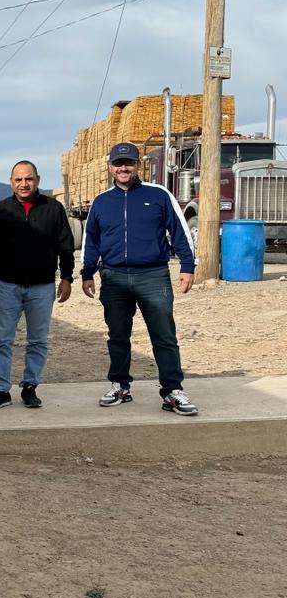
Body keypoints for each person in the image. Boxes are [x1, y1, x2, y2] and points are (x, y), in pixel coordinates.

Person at [80, 142, 198, 415]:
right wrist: (87, 273)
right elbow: (91, 242)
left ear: (137, 166)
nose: (124, 168)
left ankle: (172, 392)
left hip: (153, 276)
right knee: (118, 335)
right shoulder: (101, 202)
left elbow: (179, 231)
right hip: (114, 278)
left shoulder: (158, 195)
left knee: (164, 335)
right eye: (118, 163)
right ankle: (120, 385)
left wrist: (188, 265)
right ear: (110, 167)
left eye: (129, 163)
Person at [0, 161, 74, 410]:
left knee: (38, 340)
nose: (24, 184)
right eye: (18, 179)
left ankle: (30, 387)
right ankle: (0, 390)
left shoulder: (54, 208)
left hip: (42, 287)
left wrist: (67, 277)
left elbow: (66, 245)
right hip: (8, 285)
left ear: (37, 180)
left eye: (28, 179)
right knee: (2, 340)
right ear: (11, 182)